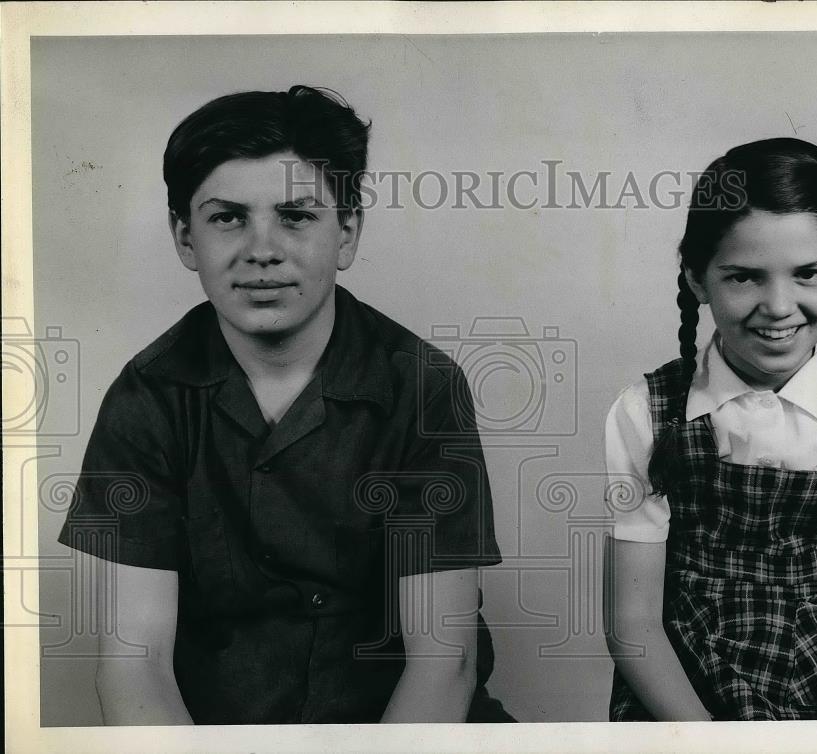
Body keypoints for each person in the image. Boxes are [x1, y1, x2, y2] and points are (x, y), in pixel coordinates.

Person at [58, 85, 513, 724]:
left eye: (296, 215)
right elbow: (135, 663)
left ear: (347, 233)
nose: (262, 249)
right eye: (228, 217)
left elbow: (444, 661)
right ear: (185, 239)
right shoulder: (146, 399)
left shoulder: (423, 387)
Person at [602, 138, 817, 721]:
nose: (779, 306)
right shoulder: (645, 414)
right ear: (698, 278)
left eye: (807, 273)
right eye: (745, 278)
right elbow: (634, 627)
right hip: (686, 709)